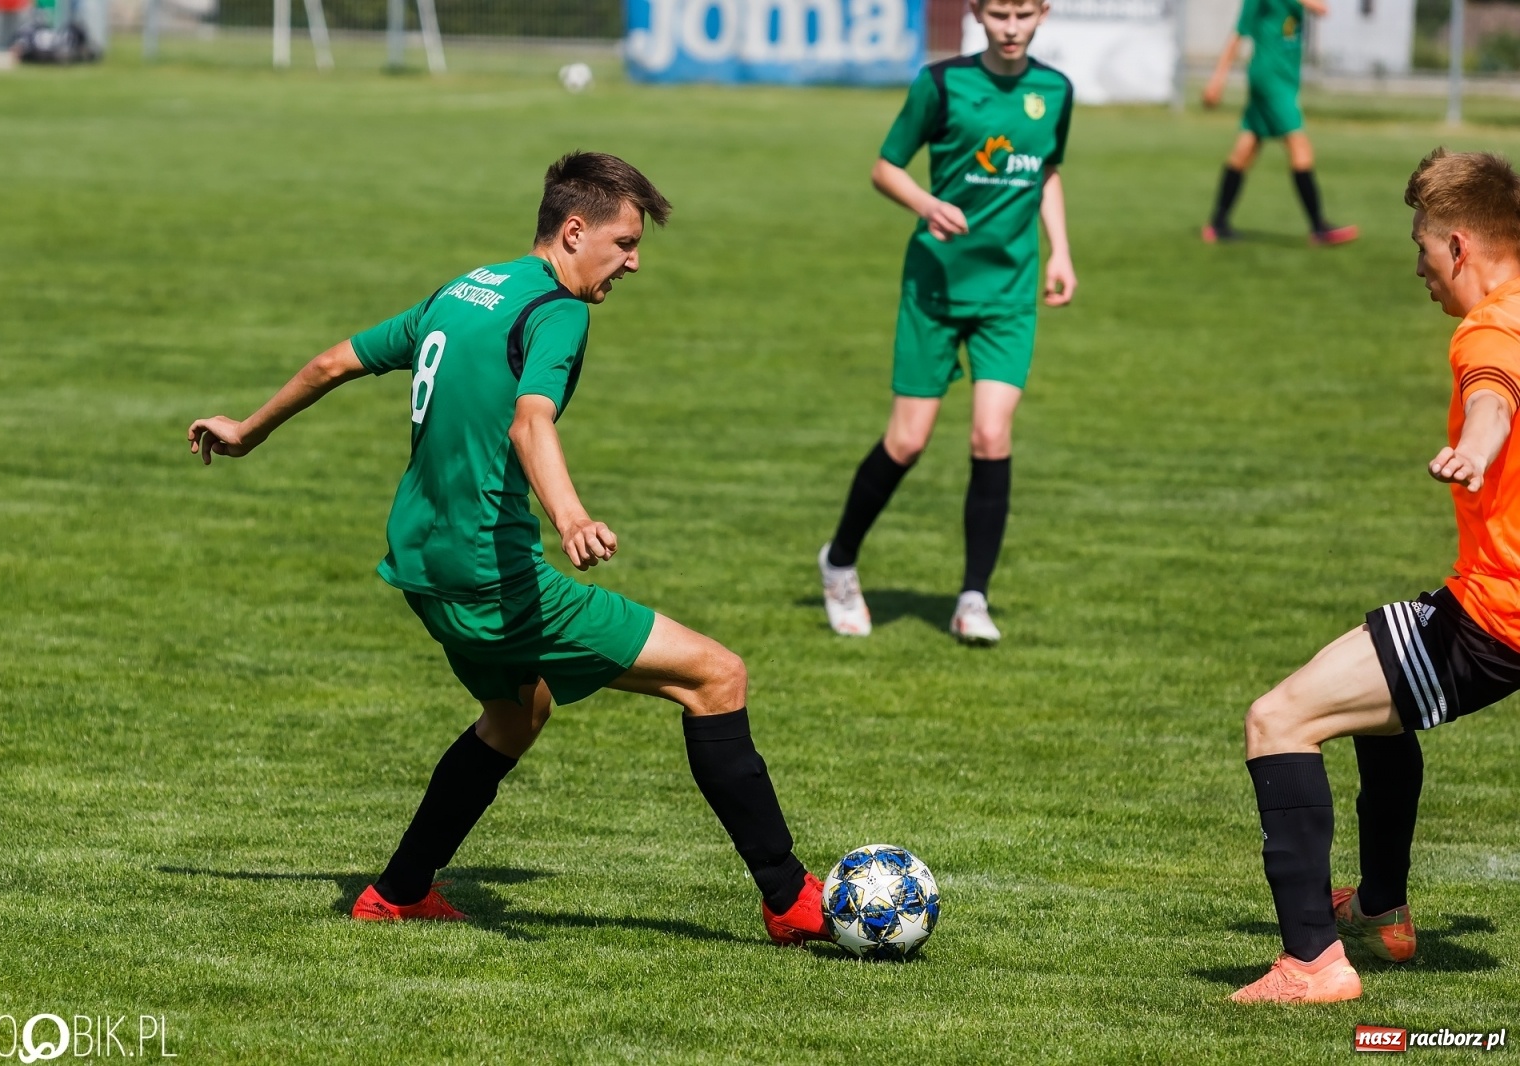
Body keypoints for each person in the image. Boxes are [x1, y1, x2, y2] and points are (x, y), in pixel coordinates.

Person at [187, 152, 831, 946]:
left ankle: (397, 892)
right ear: (572, 230)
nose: (633, 262)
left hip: (423, 564)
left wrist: (247, 430)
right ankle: (790, 899)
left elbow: (333, 362)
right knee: (716, 675)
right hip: (493, 575)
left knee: (517, 710)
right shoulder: (559, 313)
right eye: (625, 243)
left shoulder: (465, 289)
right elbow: (532, 421)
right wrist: (570, 517)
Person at [1233, 148, 1520, 1003]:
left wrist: (1475, 449)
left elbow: (1492, 394)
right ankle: (1383, 904)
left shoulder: (1490, 326)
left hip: (1498, 619)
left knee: (1278, 719)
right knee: (1378, 698)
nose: (1421, 271)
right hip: (1487, 604)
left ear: (1461, 247)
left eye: (1424, 249)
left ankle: (1313, 965)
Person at [817, 0, 1075, 646]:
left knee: (992, 435)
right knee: (907, 441)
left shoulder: (1056, 91)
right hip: (934, 286)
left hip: (1009, 292)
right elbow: (885, 167)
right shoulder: (941, 85)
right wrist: (927, 202)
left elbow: (1045, 172)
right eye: (998, 14)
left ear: (1043, 12)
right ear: (976, 14)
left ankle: (972, 599)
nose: (1010, 27)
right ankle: (840, 562)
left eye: (1023, 13)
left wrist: (1062, 252)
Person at [1200, 0, 1355, 245]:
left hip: (1285, 78)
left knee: (1245, 149)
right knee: (1300, 147)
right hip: (1270, 79)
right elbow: (1237, 35)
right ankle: (1318, 227)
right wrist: (1217, 80)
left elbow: (1321, 7)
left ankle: (1217, 224)